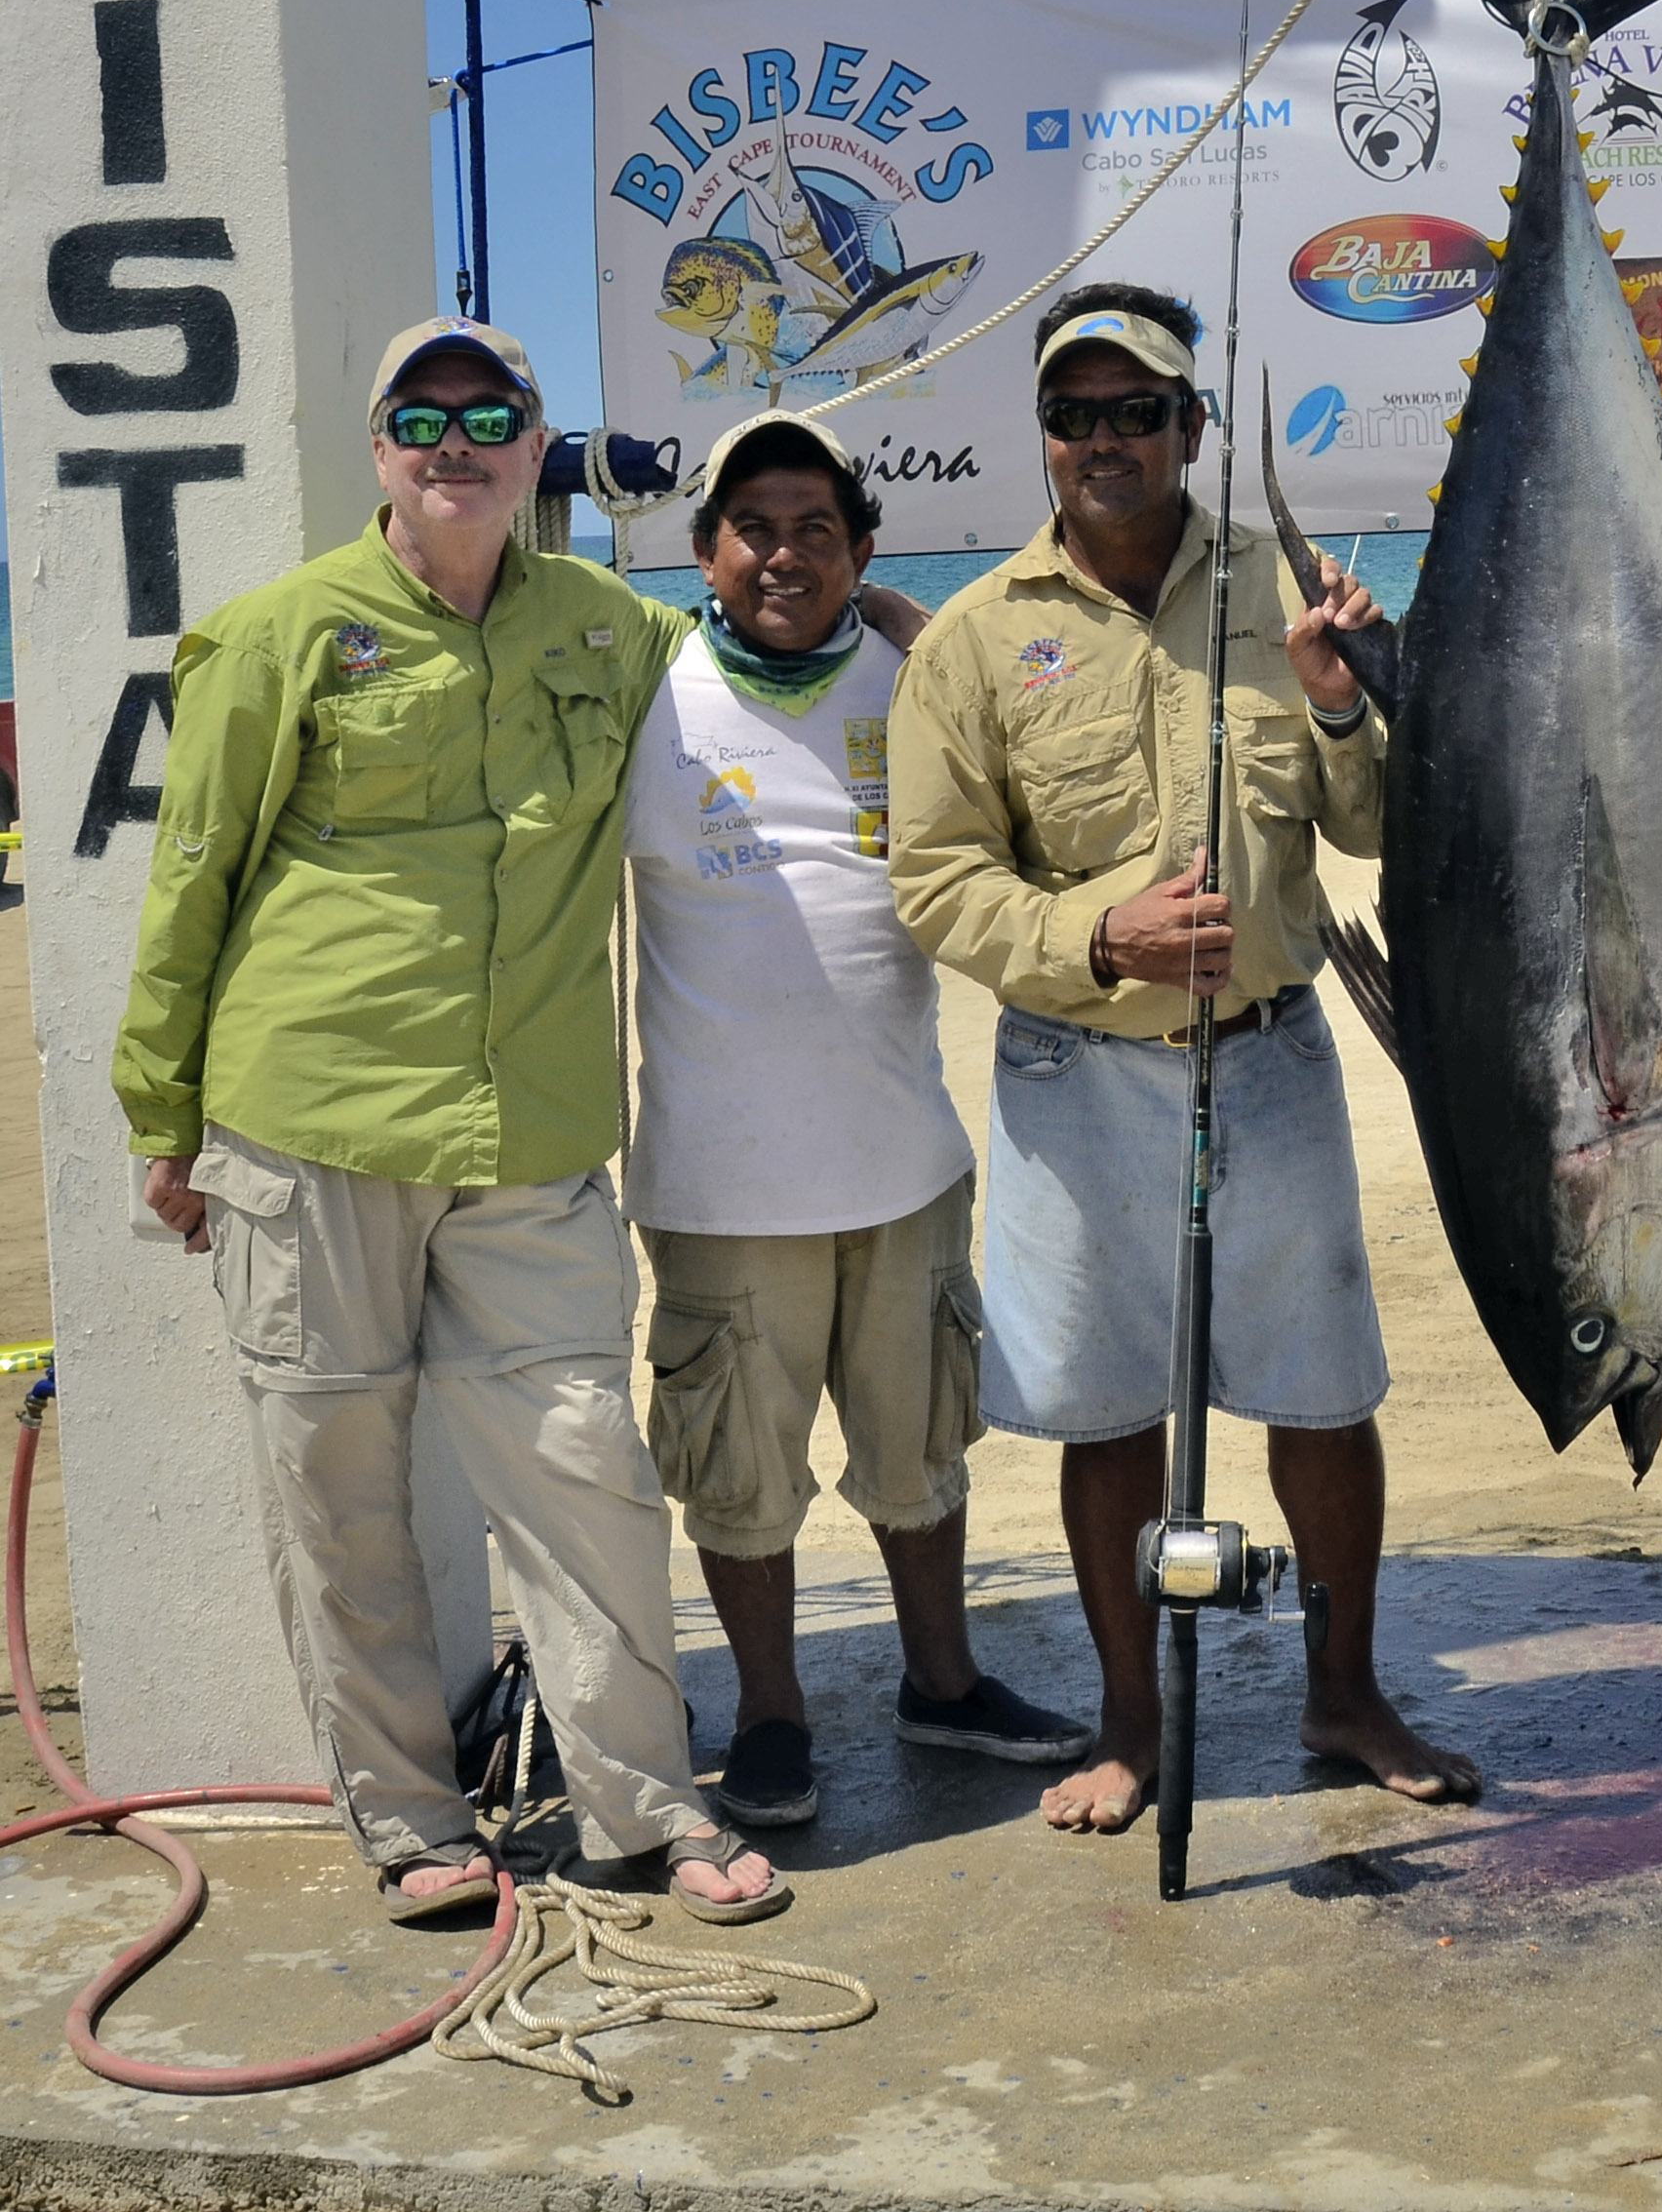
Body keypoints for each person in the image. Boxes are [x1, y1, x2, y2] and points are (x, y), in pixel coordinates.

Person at [110, 318, 904, 1925]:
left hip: (532, 1141)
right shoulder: (274, 638)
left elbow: (768, 642)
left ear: (538, 445)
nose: (455, 438)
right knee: (336, 1492)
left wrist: (901, 622)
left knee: (585, 1471)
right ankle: (413, 1824)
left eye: (492, 413)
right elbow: (192, 879)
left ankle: (649, 1806)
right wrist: (164, 1116)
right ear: (382, 451)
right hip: (309, 1128)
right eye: (422, 414)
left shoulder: (613, 634)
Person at [887, 283, 1483, 1834]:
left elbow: (1376, 834)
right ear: (1044, 439)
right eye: (1075, 417)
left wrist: (1350, 707)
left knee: (1322, 1395)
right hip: (1071, 1080)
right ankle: (1132, 1723)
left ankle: (1344, 1693)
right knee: (1102, 1416)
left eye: (1137, 412)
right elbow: (939, 883)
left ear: (1189, 428)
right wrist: (1104, 937)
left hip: (1271, 1064)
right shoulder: (970, 639)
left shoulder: (1297, 601)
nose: (1106, 440)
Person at [622, 407, 1089, 1833]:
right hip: (715, 1183)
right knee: (741, 1484)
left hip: (904, 1167)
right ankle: (772, 1712)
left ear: (862, 548)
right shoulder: (642, 692)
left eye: (817, 528)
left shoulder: (914, 675)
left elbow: (1045, 730)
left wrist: (921, 623)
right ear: (703, 552)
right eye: (753, 526)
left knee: (918, 1452)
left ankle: (941, 1682)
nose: (783, 553)